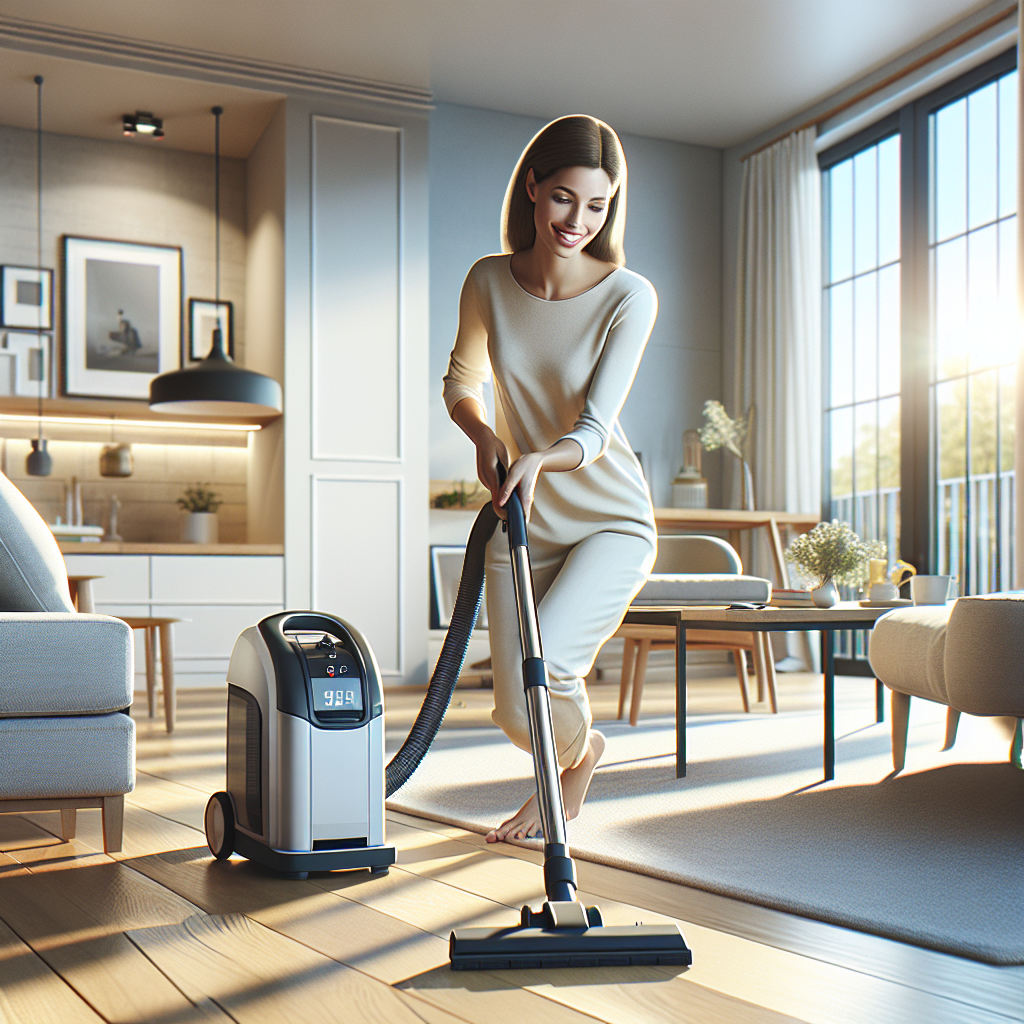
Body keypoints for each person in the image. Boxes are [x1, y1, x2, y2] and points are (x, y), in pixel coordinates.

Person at [443, 115, 658, 842]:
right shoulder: (488, 281)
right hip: (522, 517)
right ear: (533, 186)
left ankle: (571, 770)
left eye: (598, 205)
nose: (578, 220)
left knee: (550, 664)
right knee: (511, 707)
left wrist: (541, 455)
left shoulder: (629, 296)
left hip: (608, 520)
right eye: (565, 197)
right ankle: (581, 751)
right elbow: (463, 380)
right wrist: (485, 435)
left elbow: (596, 429)